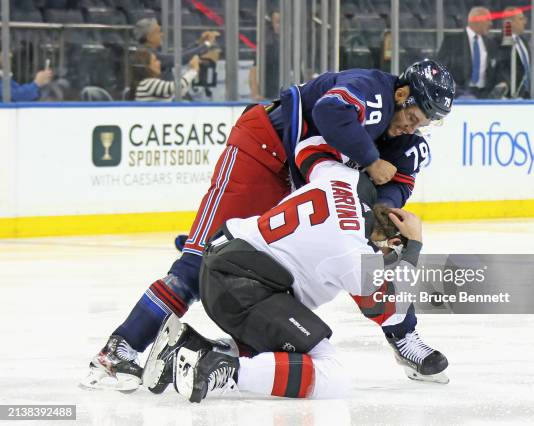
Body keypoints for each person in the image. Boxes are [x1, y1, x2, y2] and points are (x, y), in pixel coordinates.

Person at [81, 59, 455, 391]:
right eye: (413, 116)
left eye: (424, 123)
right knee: (195, 265)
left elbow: (399, 186)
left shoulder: (406, 142)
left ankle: (405, 339)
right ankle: (118, 351)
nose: (413, 127)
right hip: (262, 151)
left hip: (298, 174)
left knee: (366, 256)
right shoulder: (372, 91)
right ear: (402, 93)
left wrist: (380, 215)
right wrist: (372, 162)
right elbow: (331, 112)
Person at [142, 155, 447, 402]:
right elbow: (388, 307)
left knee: (284, 351)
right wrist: (415, 247)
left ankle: (188, 348)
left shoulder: (343, 179)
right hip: (243, 287)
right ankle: (220, 370)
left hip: (226, 258)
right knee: (331, 373)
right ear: (389, 242)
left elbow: (310, 150)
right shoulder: (353, 253)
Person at [437, 6, 497, 98]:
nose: (491, 24)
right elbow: (440, 67)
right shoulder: (452, 41)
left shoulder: (490, 43)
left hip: (485, 95)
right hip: (459, 94)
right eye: (488, 20)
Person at [134, 18, 220, 80]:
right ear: (149, 37)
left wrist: (199, 43)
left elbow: (179, 55)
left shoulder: (149, 50)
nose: (162, 35)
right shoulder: (146, 54)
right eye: (158, 32)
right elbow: (179, 58)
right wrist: (207, 44)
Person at [127, 49, 199, 101]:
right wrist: (193, 70)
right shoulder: (148, 84)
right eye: (155, 60)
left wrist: (191, 69)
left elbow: (179, 91)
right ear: (147, 66)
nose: (159, 63)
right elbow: (176, 86)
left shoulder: (149, 83)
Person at [494, 7, 530, 98]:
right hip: (511, 96)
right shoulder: (498, 42)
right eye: (521, 19)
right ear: (510, 22)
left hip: (530, 94)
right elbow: (501, 69)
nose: (525, 22)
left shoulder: (523, 41)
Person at [249, 11, 281, 101]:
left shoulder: (293, 44)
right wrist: (255, 94)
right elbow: (254, 70)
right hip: (269, 96)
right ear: (272, 24)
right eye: (277, 22)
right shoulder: (268, 45)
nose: (280, 25)